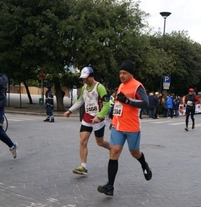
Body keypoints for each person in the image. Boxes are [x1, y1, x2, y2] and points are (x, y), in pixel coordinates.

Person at [97, 61, 152, 196]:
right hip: (118, 126)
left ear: (130, 74)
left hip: (132, 127)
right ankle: (110, 186)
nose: (121, 75)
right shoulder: (121, 85)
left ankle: (144, 165)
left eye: (124, 73)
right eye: (120, 73)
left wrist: (128, 101)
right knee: (114, 152)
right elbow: (118, 105)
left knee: (134, 153)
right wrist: (113, 118)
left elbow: (146, 103)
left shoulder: (137, 86)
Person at [64, 66, 111, 175]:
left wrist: (99, 116)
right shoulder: (84, 88)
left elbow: (107, 104)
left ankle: (111, 148)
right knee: (82, 141)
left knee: (100, 142)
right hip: (87, 118)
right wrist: (70, 111)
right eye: (83, 78)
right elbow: (80, 101)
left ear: (91, 76)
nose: (84, 80)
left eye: (86, 78)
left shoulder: (100, 87)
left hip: (98, 119)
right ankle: (83, 166)